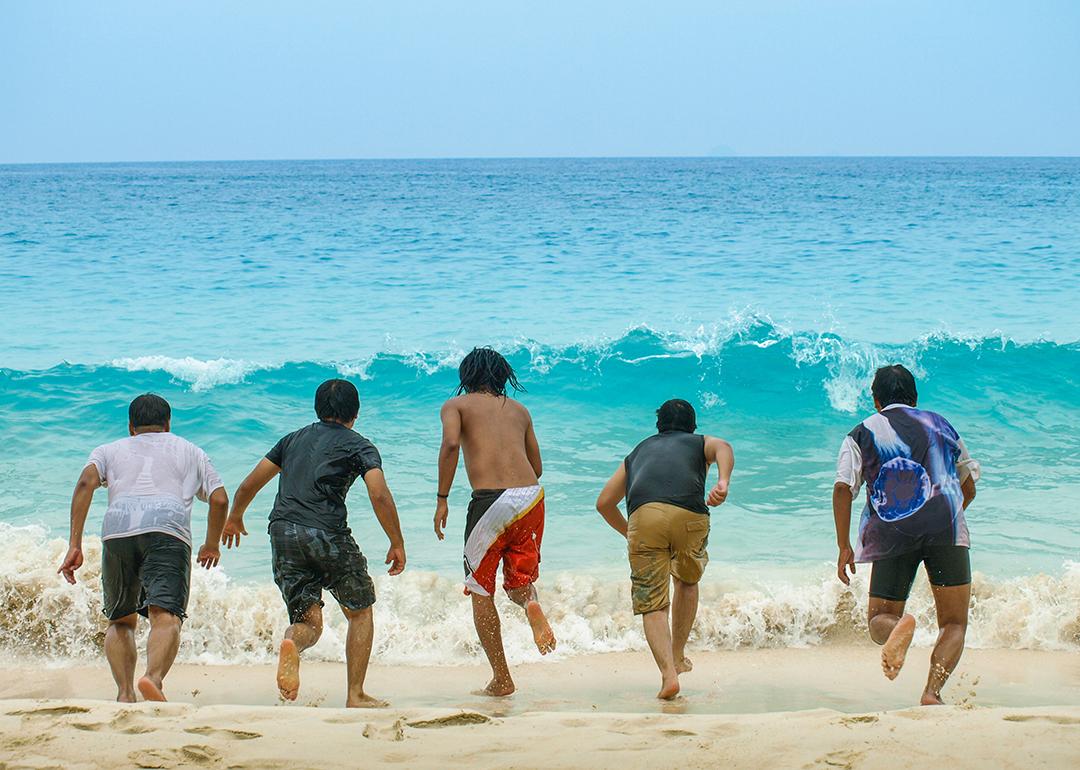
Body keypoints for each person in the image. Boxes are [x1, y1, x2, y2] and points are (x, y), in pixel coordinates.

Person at [224, 379, 406, 708]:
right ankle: (355, 694)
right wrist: (396, 541)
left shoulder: (291, 440)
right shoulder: (360, 446)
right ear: (355, 413)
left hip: (283, 533)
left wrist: (235, 516)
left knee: (308, 623)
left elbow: (251, 482)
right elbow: (378, 493)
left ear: (317, 409)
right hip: (327, 533)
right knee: (360, 612)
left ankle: (292, 643)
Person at [58, 393, 228, 703]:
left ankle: (124, 694)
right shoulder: (191, 451)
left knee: (121, 619)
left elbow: (85, 483)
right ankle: (152, 678)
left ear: (131, 427)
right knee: (166, 615)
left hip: (118, 530)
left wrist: (75, 544)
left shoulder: (108, 450)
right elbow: (218, 498)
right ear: (168, 424)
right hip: (168, 530)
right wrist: (211, 544)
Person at [832, 364, 980, 705]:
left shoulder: (861, 432)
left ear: (875, 399)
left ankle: (898, 628)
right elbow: (967, 486)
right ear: (914, 397)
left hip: (891, 531)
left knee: (878, 619)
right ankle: (932, 693)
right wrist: (945, 521)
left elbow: (843, 488)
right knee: (954, 623)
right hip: (946, 528)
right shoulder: (941, 424)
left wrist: (843, 546)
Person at [434, 347, 556, 697]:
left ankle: (502, 678)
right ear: (503, 377)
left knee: (480, 588)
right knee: (518, 581)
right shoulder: (520, 410)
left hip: (490, 502)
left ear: (466, 376)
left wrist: (442, 499)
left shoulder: (455, 406)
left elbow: (450, 444)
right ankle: (530, 604)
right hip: (531, 498)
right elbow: (538, 467)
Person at [595, 399, 733, 700]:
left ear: (659, 426)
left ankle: (668, 675)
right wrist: (722, 482)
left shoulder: (637, 453)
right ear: (693, 426)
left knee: (653, 603)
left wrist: (630, 533)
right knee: (686, 582)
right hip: (689, 516)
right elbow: (723, 446)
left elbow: (604, 503)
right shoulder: (698, 443)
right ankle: (679, 654)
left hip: (644, 518)